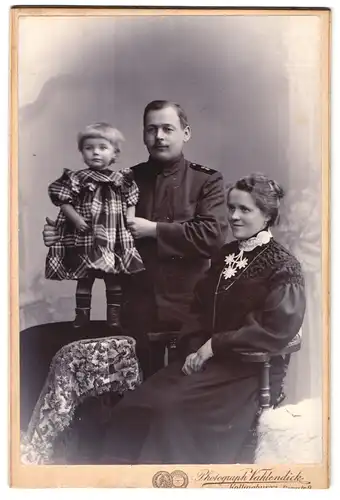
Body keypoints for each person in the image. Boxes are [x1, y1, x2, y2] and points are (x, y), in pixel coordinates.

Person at [95, 173, 306, 465]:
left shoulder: (283, 266)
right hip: (203, 361)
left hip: (246, 371)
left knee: (171, 411)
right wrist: (195, 348)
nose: (233, 216)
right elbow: (198, 309)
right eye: (231, 208)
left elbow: (275, 329)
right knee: (136, 404)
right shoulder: (225, 254)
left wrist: (214, 346)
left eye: (245, 210)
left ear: (268, 215)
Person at [43, 101, 228, 376]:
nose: (159, 137)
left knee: (179, 394)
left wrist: (154, 229)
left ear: (185, 133)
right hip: (136, 307)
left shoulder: (207, 180)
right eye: (152, 129)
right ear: (144, 135)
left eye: (168, 128)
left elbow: (212, 237)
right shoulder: (122, 180)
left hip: (189, 310)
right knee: (131, 391)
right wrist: (61, 234)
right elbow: (96, 230)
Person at [45, 122, 144, 330]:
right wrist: (77, 220)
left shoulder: (121, 179)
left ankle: (113, 317)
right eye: (89, 148)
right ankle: (82, 316)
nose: (95, 153)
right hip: (86, 235)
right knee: (84, 277)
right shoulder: (77, 178)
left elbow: (131, 202)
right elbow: (63, 201)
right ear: (82, 152)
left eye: (102, 148)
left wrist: (129, 223)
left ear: (114, 153)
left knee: (113, 277)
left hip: (111, 234)